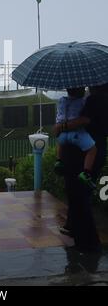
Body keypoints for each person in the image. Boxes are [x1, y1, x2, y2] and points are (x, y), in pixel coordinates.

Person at [54, 84, 108, 252]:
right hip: (92, 147)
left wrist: (60, 127)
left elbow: (85, 120)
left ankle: (88, 242)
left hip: (84, 151)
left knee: (78, 195)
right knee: (79, 194)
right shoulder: (96, 98)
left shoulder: (94, 99)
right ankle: (79, 234)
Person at [55, 88, 97, 186]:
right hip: (76, 133)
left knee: (60, 142)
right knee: (92, 150)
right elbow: (85, 117)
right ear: (80, 91)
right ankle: (86, 172)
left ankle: (58, 161)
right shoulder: (83, 101)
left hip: (63, 134)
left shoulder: (62, 100)